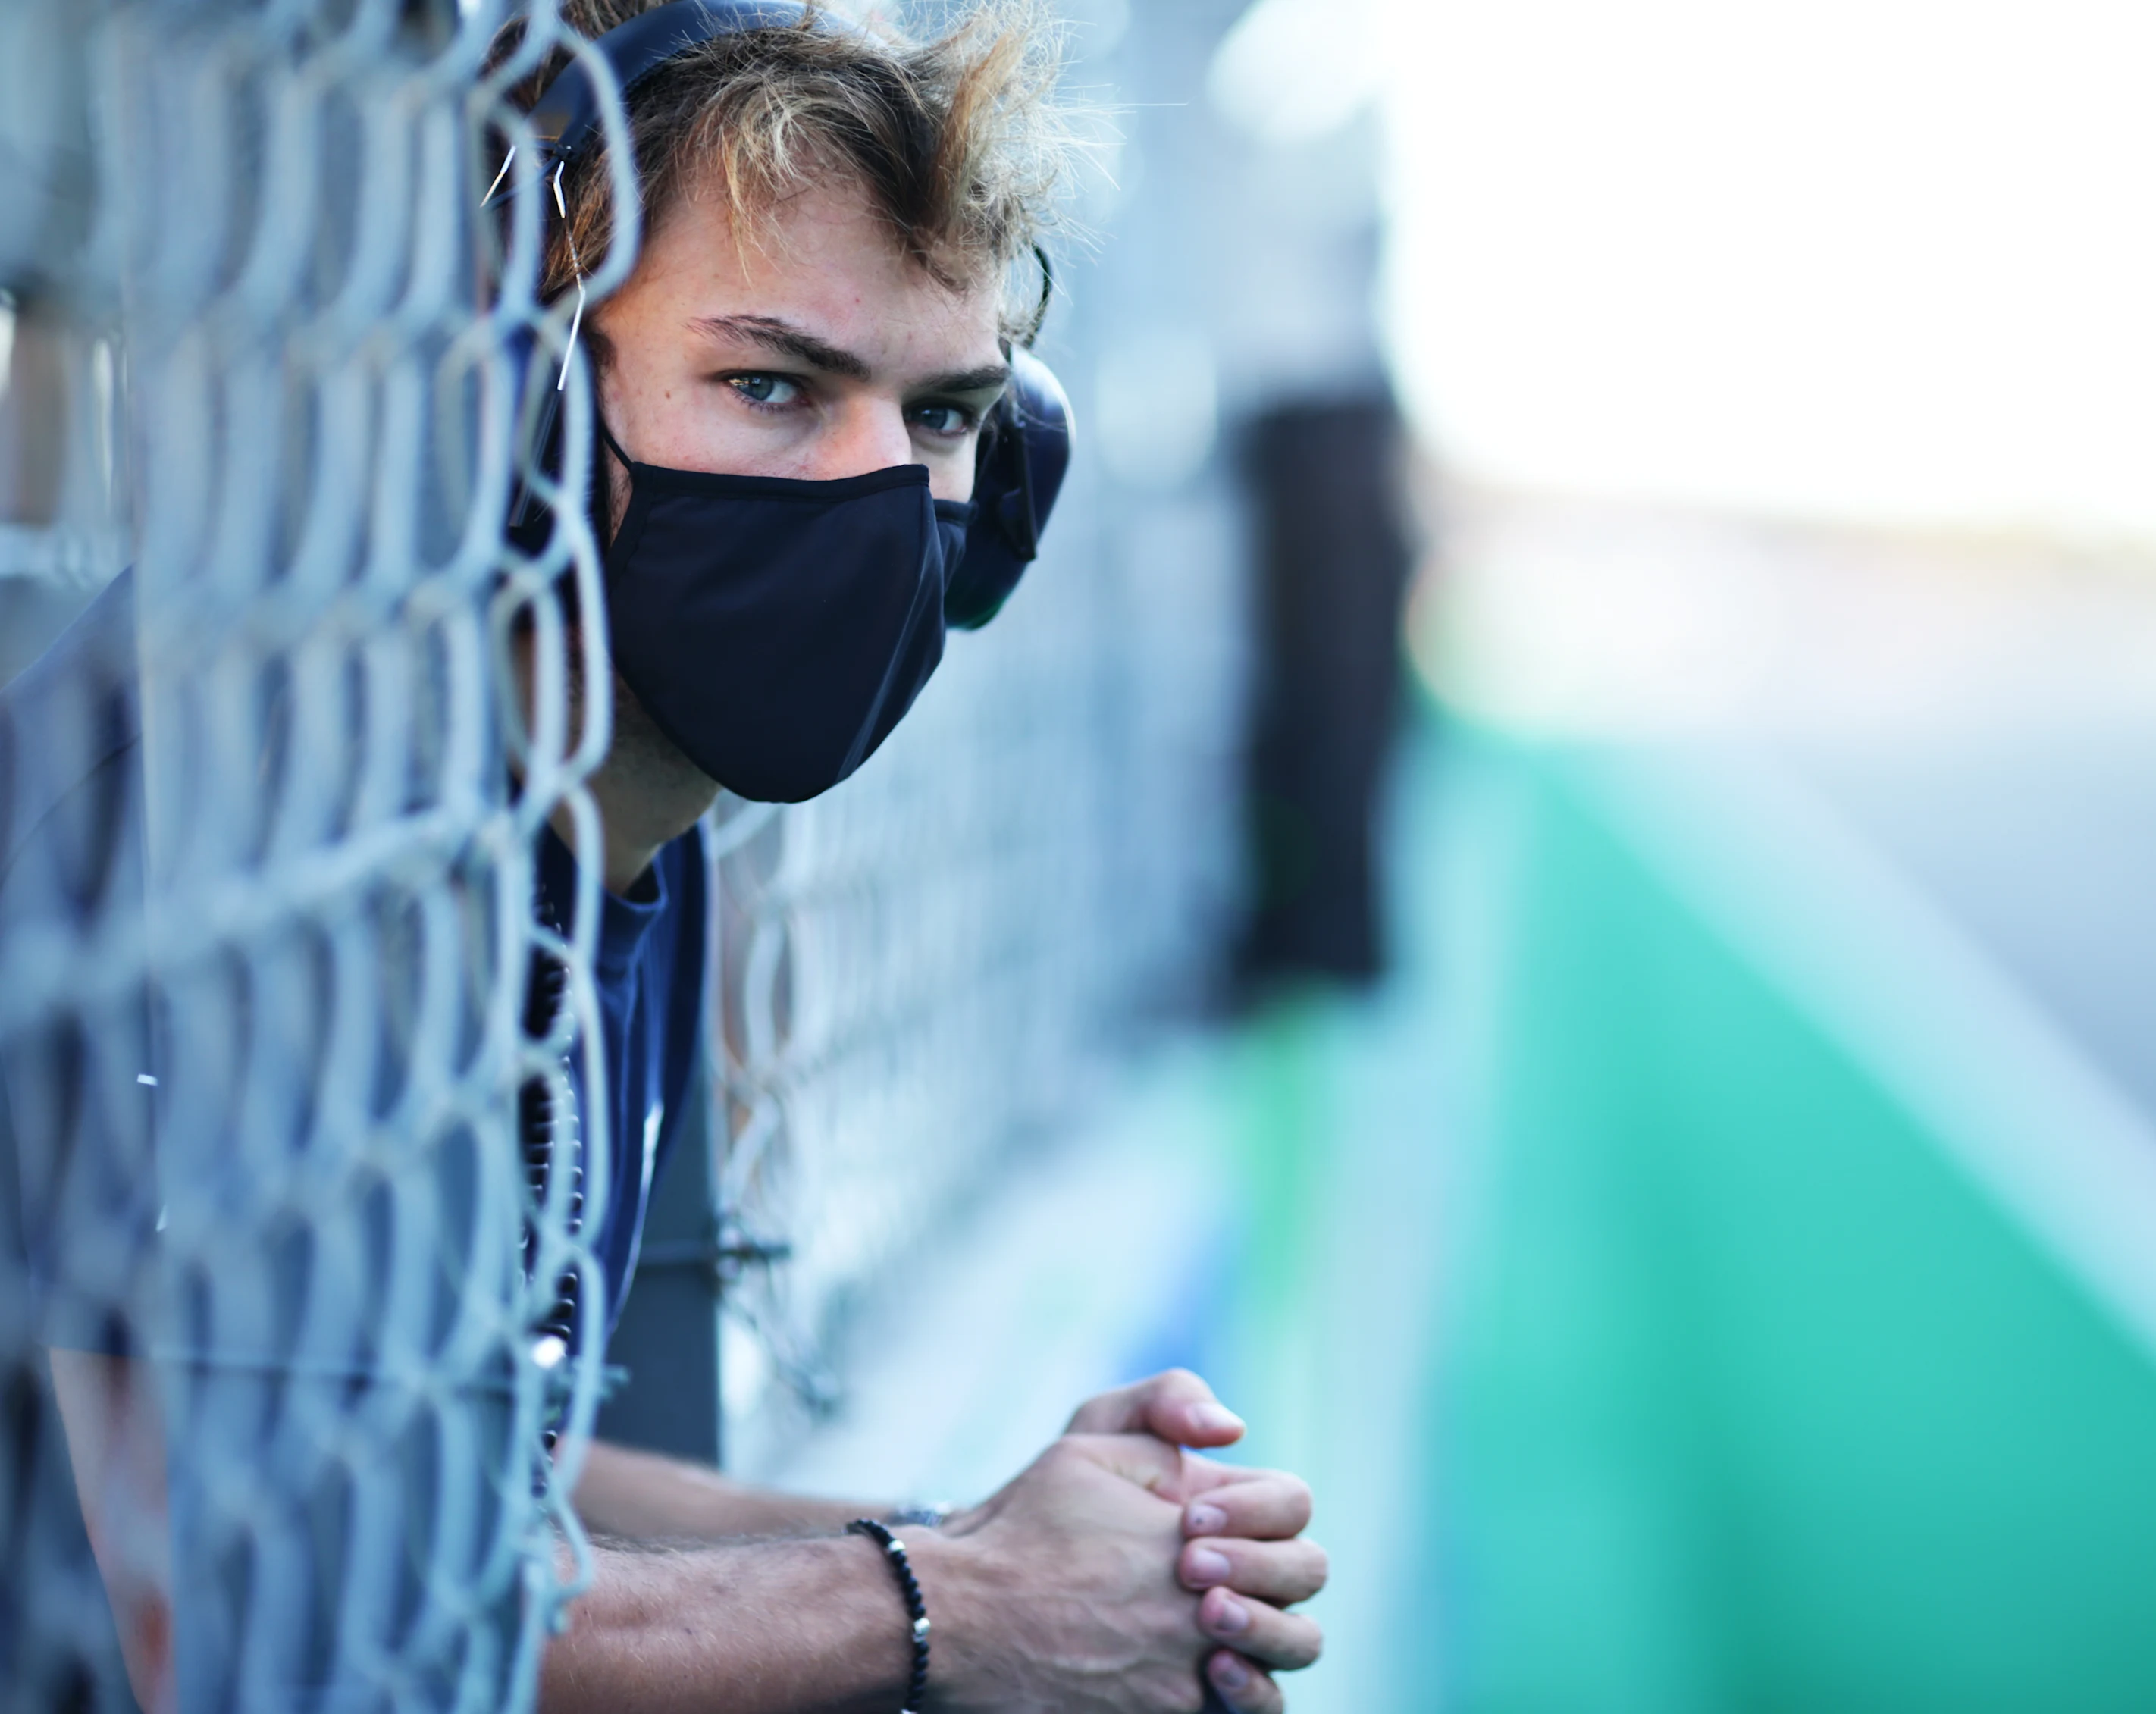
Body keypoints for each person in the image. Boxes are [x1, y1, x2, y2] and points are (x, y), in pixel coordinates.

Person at [8, 2, 1327, 1709]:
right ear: (520, 422)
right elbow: (262, 1591)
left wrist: (1008, 1547)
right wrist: (956, 1600)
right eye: (771, 385)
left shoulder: (618, 800)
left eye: (942, 419)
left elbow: (453, 1456)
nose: (879, 492)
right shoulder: (261, 823)